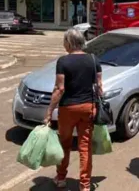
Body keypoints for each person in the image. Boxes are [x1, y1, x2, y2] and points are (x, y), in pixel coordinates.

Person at [43, 28, 101, 191]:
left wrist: (49, 112)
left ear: (69, 43)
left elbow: (59, 89)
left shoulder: (63, 61)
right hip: (88, 108)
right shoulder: (93, 59)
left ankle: (61, 178)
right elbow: (99, 86)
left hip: (68, 109)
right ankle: (84, 185)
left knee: (65, 144)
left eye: (64, 41)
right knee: (85, 147)